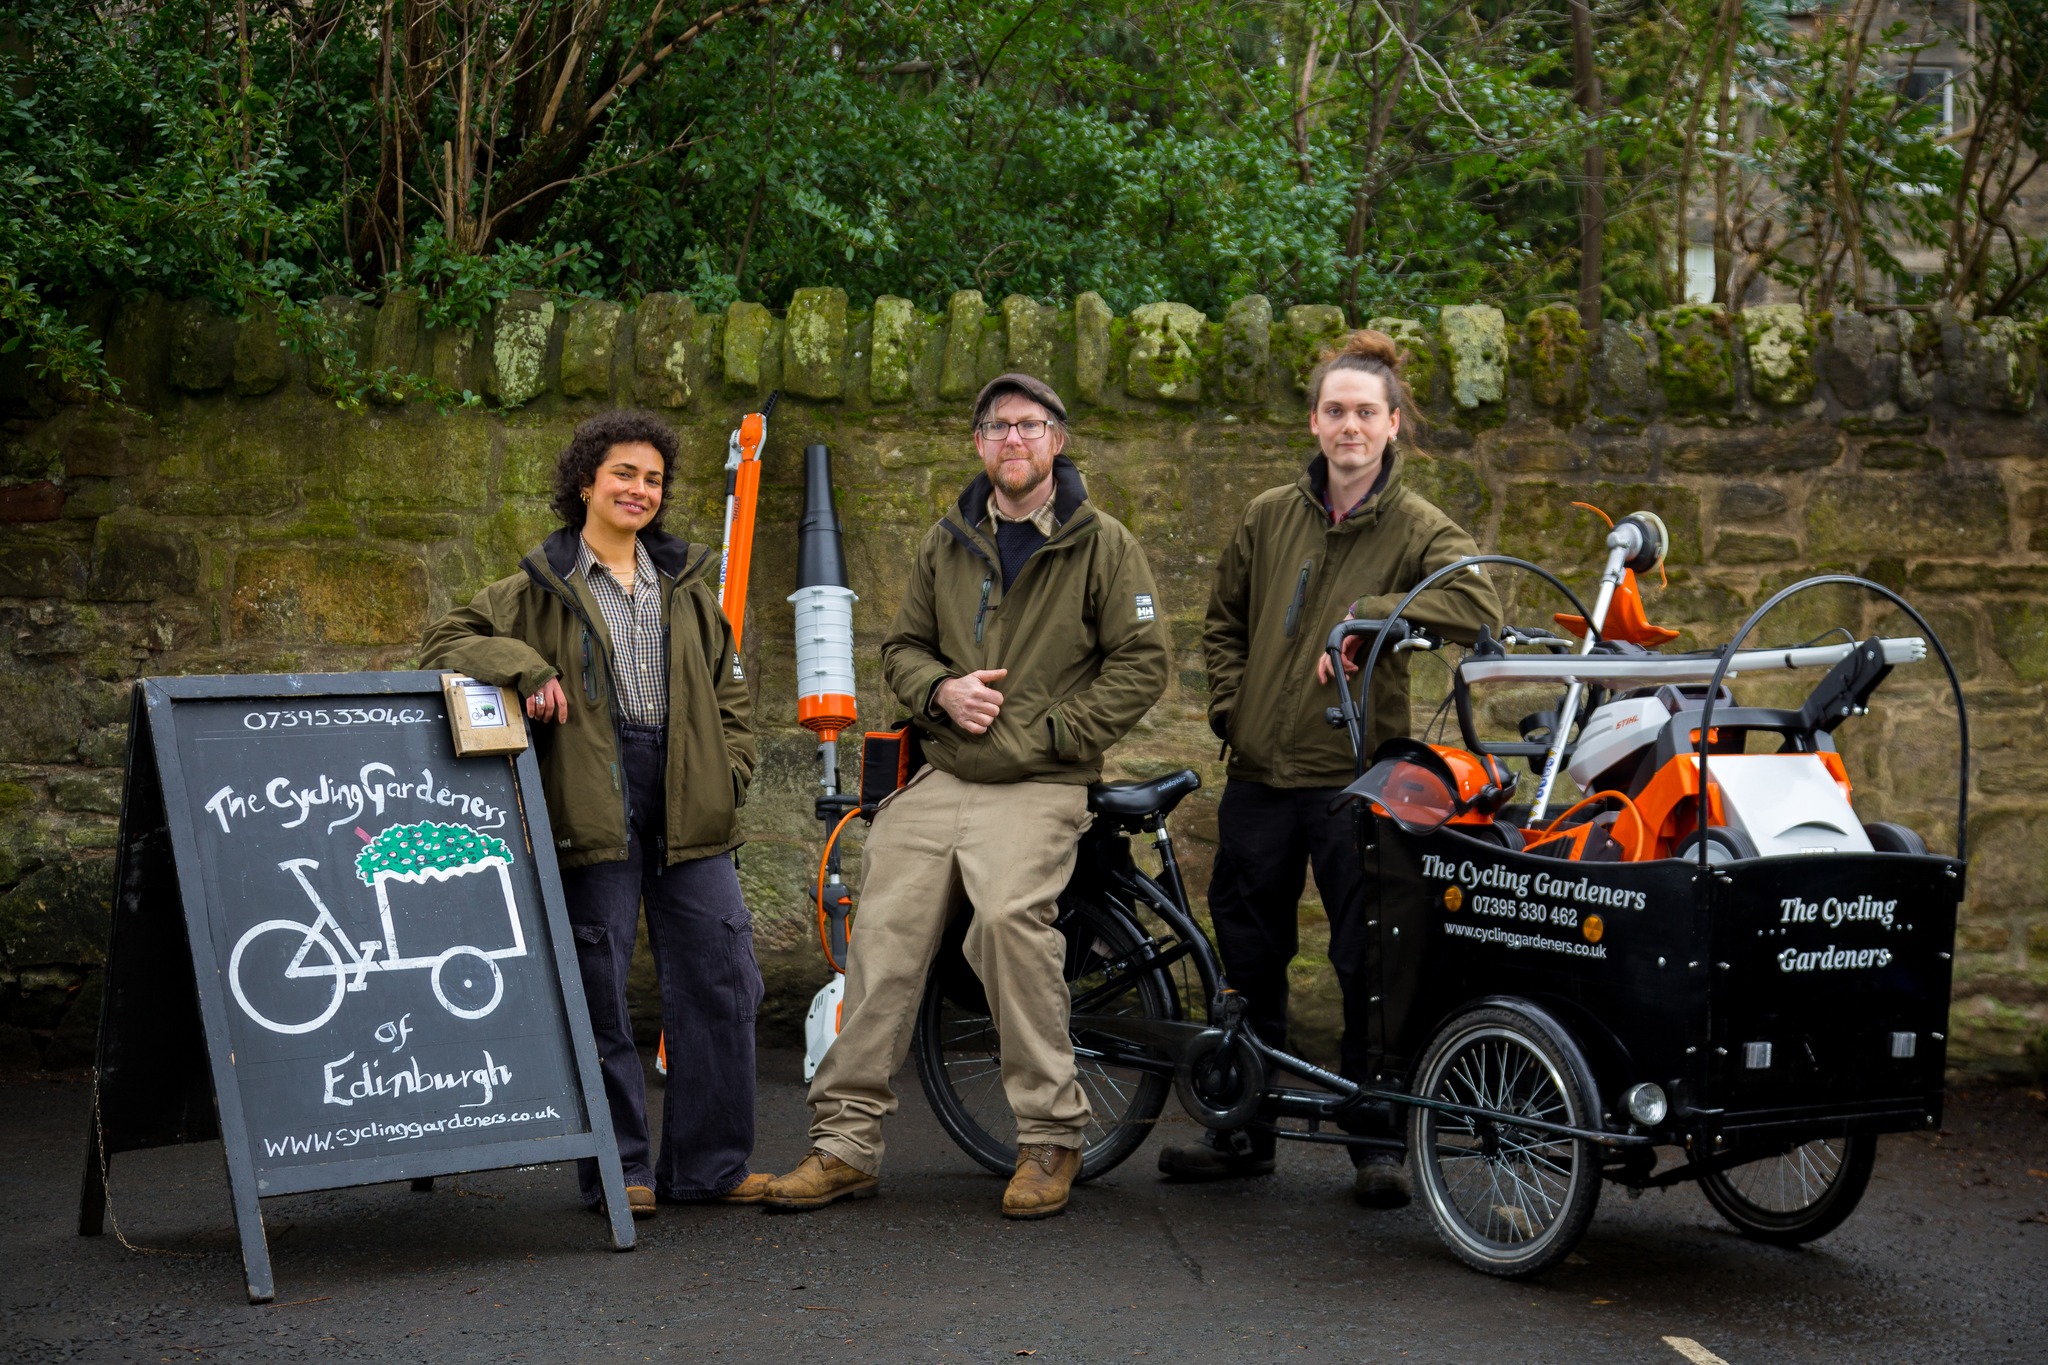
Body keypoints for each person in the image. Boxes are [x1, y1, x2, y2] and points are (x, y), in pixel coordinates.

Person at [762, 373, 1170, 1220]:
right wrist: (941, 691)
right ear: (978, 443)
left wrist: (1055, 732)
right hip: (944, 773)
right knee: (879, 931)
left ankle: (1051, 1135)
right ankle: (845, 1144)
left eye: (1028, 425)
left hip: (1043, 781)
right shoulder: (946, 540)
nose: (1011, 440)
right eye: (995, 426)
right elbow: (901, 649)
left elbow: (1143, 664)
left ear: (1057, 439)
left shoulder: (1104, 543)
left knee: (1011, 924)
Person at [1165, 331, 1501, 1205]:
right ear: (1315, 421)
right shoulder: (1269, 513)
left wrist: (1372, 616)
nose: (1349, 425)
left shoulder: (1419, 525)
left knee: (1369, 965)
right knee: (1248, 956)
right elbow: (1223, 622)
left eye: (1366, 412)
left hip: (1358, 783)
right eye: (1335, 410)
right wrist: (1232, 709)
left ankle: (1377, 1142)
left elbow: (1478, 598)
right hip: (1261, 776)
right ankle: (1244, 1131)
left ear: (1393, 425)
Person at [420, 410, 766, 1218]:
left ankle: (709, 1168)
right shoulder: (538, 584)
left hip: (690, 795)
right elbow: (445, 641)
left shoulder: (684, 583)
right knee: (598, 980)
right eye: (623, 474)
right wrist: (526, 664)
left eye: (652, 478)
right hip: (587, 793)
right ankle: (621, 1171)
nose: (639, 489)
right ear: (585, 482)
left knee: (722, 973)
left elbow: (730, 691)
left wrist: (731, 770)